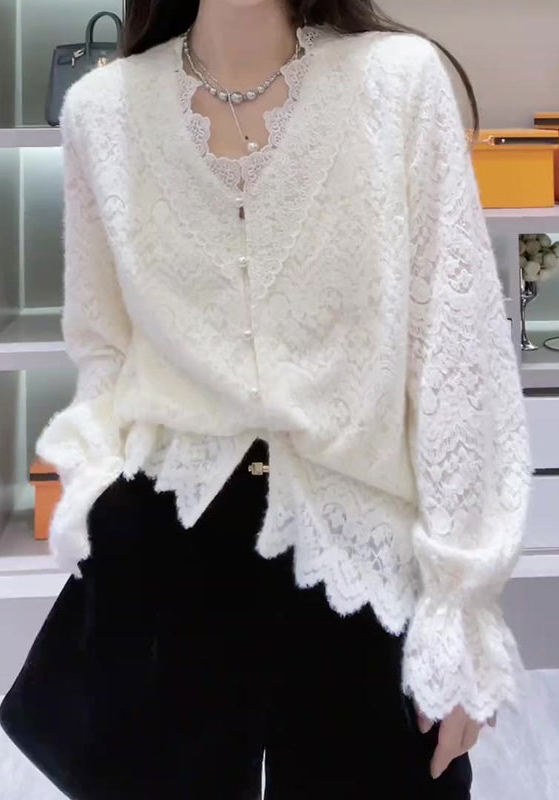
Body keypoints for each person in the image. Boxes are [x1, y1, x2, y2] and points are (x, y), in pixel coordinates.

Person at [29, 0, 533, 797]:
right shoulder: (102, 110)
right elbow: (103, 347)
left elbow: (457, 358)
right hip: (161, 571)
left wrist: (462, 610)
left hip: (360, 571)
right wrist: (94, 497)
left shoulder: (397, 85)